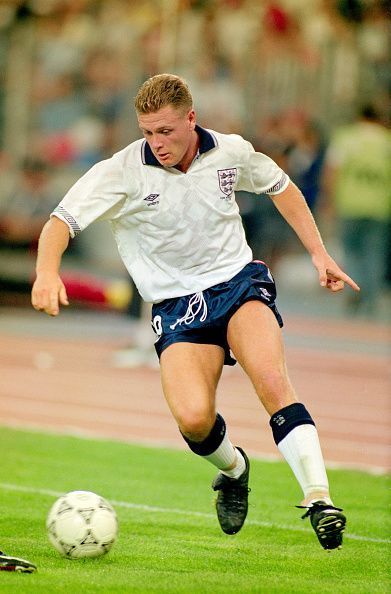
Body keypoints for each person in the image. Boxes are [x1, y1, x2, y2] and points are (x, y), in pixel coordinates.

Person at [31, 74, 360, 550]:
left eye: (165, 131)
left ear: (191, 118)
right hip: (177, 304)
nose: (156, 143)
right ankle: (234, 469)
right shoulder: (121, 171)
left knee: (271, 381)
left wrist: (319, 253)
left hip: (238, 282)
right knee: (193, 419)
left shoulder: (230, 151)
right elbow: (59, 222)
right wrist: (46, 273)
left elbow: (281, 186)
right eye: (147, 132)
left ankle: (320, 499)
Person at [323, 104, 391, 316]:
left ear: (359, 117)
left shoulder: (346, 138)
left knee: (352, 251)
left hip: (349, 204)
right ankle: (370, 297)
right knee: (375, 253)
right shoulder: (386, 141)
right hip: (380, 206)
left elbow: (332, 170)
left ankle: (354, 290)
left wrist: (329, 199)